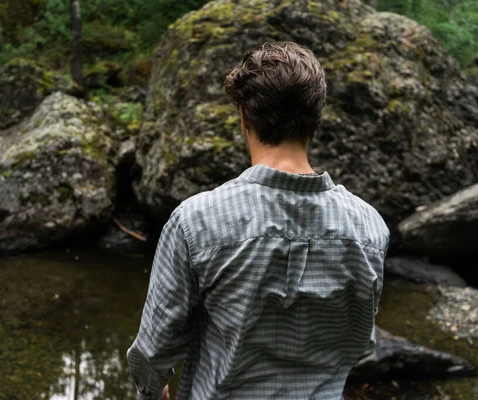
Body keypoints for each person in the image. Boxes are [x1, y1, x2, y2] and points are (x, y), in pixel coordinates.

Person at [126, 42, 390, 400]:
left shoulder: (196, 221)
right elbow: (361, 343)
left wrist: (151, 392)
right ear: (315, 119)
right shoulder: (371, 228)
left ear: (244, 118)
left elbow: (153, 352)